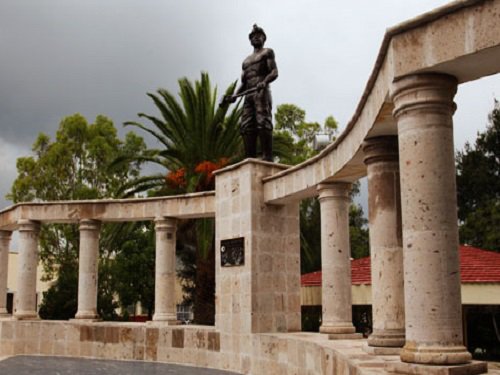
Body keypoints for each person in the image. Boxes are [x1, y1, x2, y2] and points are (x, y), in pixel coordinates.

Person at [225, 24, 278, 161]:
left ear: (263, 38)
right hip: (248, 94)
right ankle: (250, 158)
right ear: (250, 40)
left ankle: (267, 156)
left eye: (258, 35)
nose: (256, 38)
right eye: (253, 36)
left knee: (263, 121)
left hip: (261, 92)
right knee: (246, 125)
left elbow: (274, 72)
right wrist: (234, 96)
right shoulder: (246, 61)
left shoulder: (267, 52)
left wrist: (264, 82)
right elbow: (244, 83)